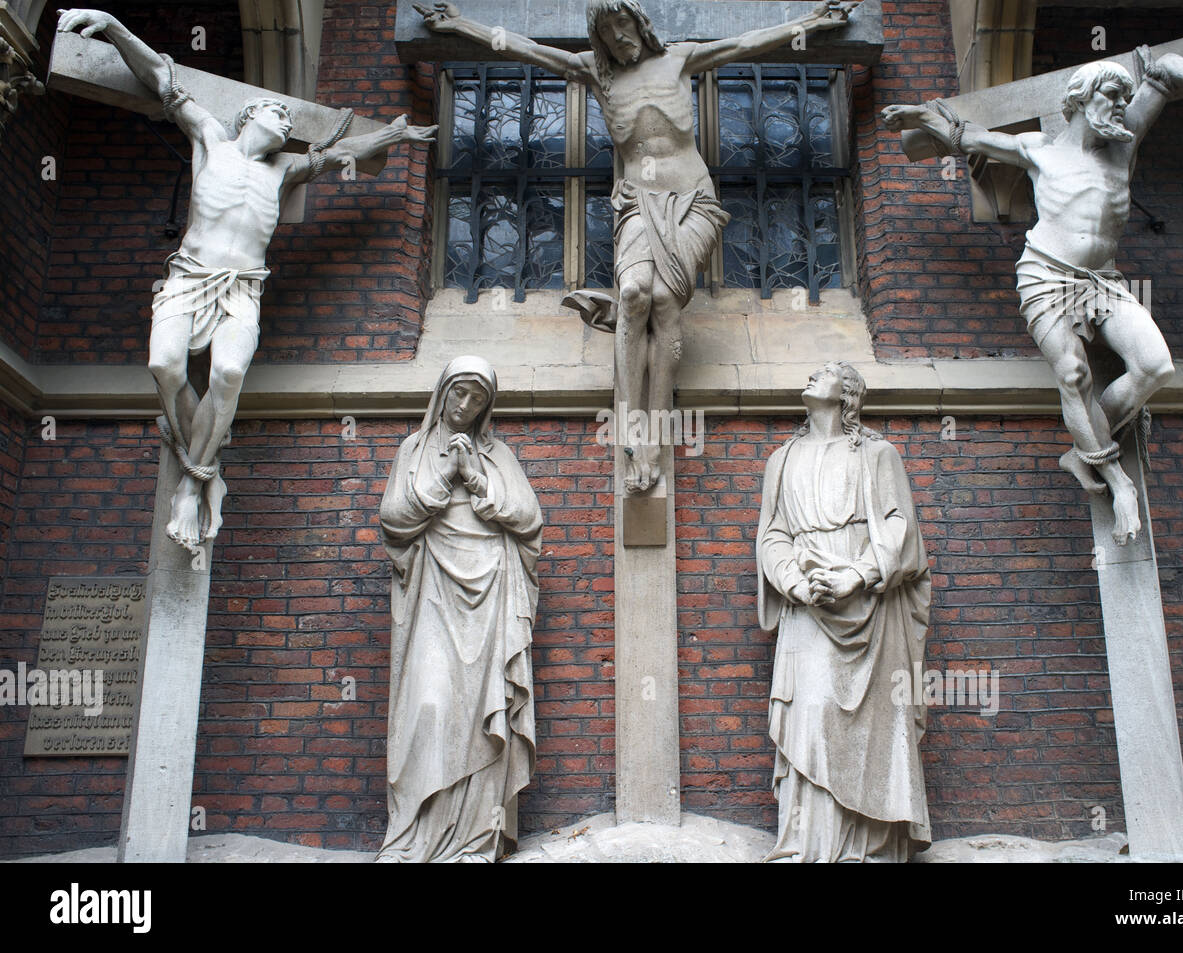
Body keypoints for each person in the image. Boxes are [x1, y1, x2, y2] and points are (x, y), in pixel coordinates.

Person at [417, 0, 859, 494]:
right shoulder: (594, 71)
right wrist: (459, 25)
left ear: (639, 25)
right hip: (636, 205)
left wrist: (812, 23)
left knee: (666, 299)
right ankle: (630, 427)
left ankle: (656, 437)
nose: (618, 38)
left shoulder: (679, 59)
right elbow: (528, 49)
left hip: (693, 201)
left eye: (623, 25)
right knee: (633, 295)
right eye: (606, 31)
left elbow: (743, 44)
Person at [57, 9, 437, 552]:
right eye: (277, 113)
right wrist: (114, 26)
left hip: (242, 286)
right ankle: (200, 458)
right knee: (163, 364)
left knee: (230, 372)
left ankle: (194, 481)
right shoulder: (210, 137)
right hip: (189, 277)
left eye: (288, 116)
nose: (286, 121)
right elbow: (163, 77)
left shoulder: (282, 170)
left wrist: (392, 137)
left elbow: (338, 155)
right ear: (247, 117)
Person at [882, 52, 1183, 544]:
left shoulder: (1124, 143)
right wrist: (923, 116)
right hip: (1046, 277)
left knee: (1155, 366)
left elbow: (1166, 67)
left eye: (1124, 97)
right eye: (1111, 96)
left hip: (1103, 280)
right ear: (1080, 100)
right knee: (1074, 375)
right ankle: (1117, 483)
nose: (1121, 106)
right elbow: (972, 138)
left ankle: (1083, 450)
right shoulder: (1039, 150)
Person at [756, 361, 932, 862]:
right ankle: (809, 846)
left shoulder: (878, 455)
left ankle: (870, 849)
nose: (812, 374)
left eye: (828, 371)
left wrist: (858, 574)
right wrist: (794, 583)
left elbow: (902, 528)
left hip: (869, 609)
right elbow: (772, 535)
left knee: (873, 724)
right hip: (808, 606)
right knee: (810, 715)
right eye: (812, 370)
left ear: (848, 394)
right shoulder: (782, 460)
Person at [377, 356, 542, 863]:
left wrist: (474, 479)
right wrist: (445, 474)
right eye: (459, 393)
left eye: (477, 399)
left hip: (490, 596)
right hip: (432, 591)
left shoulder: (498, 457)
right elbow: (393, 521)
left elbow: (529, 520)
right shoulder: (414, 449)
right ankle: (411, 839)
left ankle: (474, 841)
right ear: (442, 392)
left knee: (480, 718)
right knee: (428, 707)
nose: (465, 405)